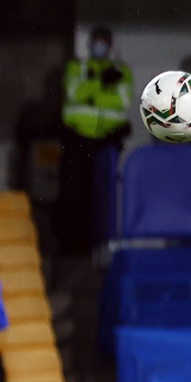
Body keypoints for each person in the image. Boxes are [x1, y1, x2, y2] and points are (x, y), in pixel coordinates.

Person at [58, 25, 133, 255]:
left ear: (110, 45)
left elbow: (121, 100)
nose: (99, 45)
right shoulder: (77, 66)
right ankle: (72, 246)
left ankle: (97, 245)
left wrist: (91, 94)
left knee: (101, 195)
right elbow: (74, 93)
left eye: (104, 41)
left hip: (106, 143)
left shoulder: (122, 70)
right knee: (74, 194)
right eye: (96, 40)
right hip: (77, 139)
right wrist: (101, 81)